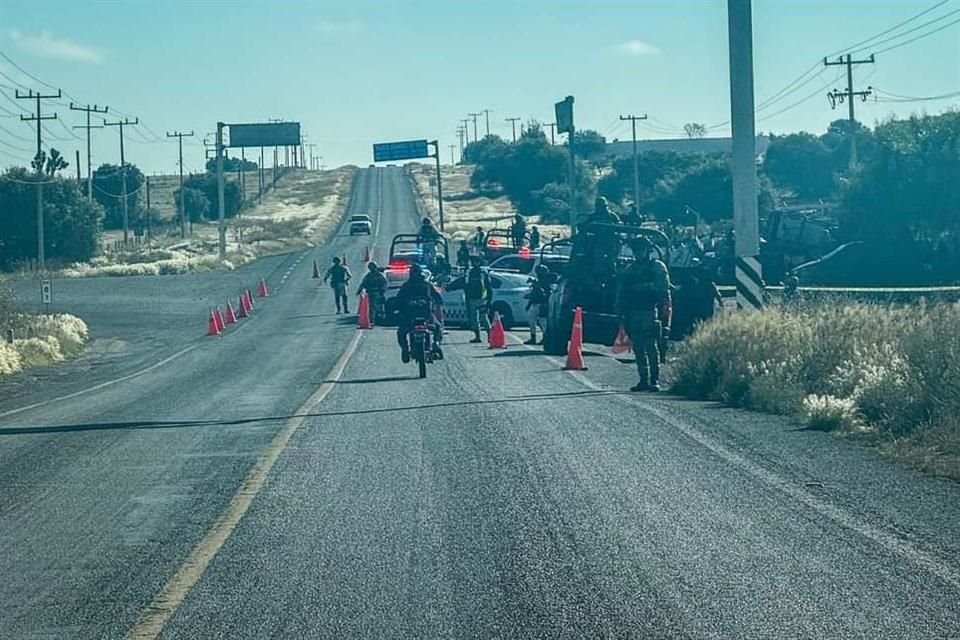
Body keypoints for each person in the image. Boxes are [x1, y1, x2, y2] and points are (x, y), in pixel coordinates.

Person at [617, 237, 670, 392]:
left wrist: (643, 287)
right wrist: (620, 311)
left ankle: (654, 380)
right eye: (636, 250)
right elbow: (622, 291)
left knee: (651, 347)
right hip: (633, 312)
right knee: (638, 348)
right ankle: (643, 380)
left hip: (650, 311)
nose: (638, 253)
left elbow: (663, 286)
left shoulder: (657, 267)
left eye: (641, 250)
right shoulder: (630, 269)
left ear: (648, 251)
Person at [395, 263, 444, 363]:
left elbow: (398, 300)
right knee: (438, 328)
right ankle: (436, 344)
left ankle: (434, 344)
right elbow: (437, 297)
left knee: (401, 332)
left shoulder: (407, 286)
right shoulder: (426, 285)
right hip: (420, 316)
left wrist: (398, 309)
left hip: (417, 317)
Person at [448, 256, 491, 343]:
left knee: (483, 318)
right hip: (471, 299)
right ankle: (478, 337)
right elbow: (462, 283)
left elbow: (488, 287)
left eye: (476, 261)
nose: (474, 263)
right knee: (474, 319)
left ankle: (490, 336)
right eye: (473, 261)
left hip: (481, 299)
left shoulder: (483, 273)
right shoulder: (469, 273)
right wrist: (450, 287)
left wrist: (489, 300)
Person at [524, 264, 553, 344]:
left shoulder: (546, 282)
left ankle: (545, 337)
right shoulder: (538, 281)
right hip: (535, 303)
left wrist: (537, 286)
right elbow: (534, 294)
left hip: (542, 304)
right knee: (531, 321)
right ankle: (533, 337)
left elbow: (545, 293)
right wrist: (529, 304)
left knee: (542, 322)